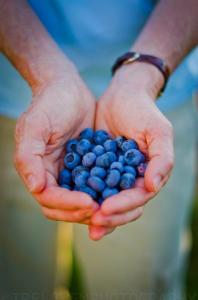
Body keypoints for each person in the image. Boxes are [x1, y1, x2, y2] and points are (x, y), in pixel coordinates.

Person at [0, 0, 197, 299]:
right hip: (19, 101)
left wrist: (143, 77)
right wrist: (47, 74)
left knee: (137, 286)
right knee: (12, 279)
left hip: (156, 99)